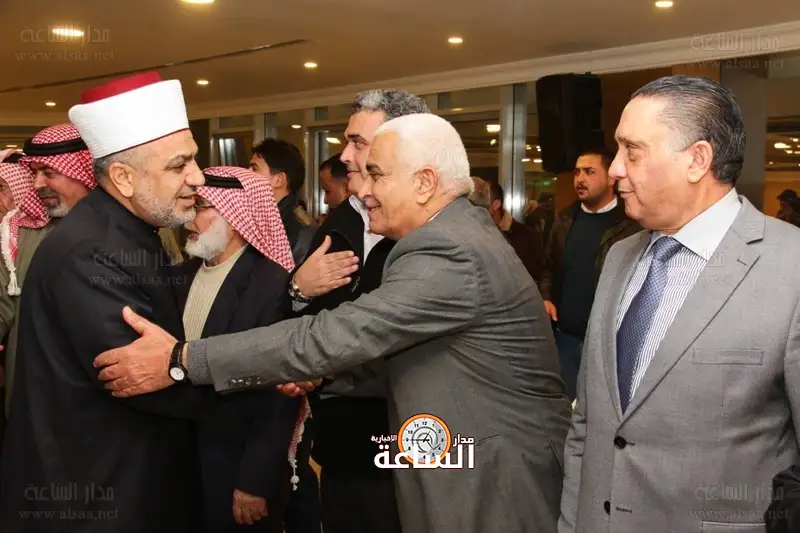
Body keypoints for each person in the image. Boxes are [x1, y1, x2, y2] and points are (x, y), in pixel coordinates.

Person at [94, 112, 572, 533]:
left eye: (375, 174)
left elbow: (329, 336)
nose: (361, 190)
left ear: (425, 183)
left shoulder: (449, 249)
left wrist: (181, 360)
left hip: (491, 475)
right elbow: (424, 357)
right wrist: (323, 376)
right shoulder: (453, 234)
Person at [557, 75, 800, 533]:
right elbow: (588, 422)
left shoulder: (791, 268)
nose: (615, 169)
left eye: (632, 152)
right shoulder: (618, 256)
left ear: (697, 160)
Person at [0, 71, 215, 533]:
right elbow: (142, 379)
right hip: (102, 496)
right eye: (179, 165)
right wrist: (257, 380)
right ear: (123, 178)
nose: (198, 177)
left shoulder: (126, 230)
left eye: (194, 160)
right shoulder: (92, 251)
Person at [284, 89, 429, 533]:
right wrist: (298, 290)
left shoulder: (427, 230)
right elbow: (305, 313)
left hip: (406, 432)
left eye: (358, 143)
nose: (345, 155)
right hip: (340, 432)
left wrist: (321, 368)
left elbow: (407, 339)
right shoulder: (339, 221)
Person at [177, 166, 304, 533]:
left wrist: (254, 480)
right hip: (180, 464)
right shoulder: (180, 276)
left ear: (234, 217)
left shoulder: (272, 284)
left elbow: (280, 394)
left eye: (201, 207)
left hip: (235, 467)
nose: (188, 220)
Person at [0, 124, 97, 419]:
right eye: (35, 173)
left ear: (83, 171)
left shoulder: (131, 230)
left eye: (49, 173)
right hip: (34, 391)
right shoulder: (22, 232)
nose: (38, 184)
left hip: (100, 398)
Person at [539, 146, 639, 400]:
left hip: (609, 344)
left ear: (611, 179)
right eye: (577, 172)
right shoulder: (564, 220)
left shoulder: (631, 225)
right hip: (565, 340)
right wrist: (546, 296)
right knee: (564, 410)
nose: (580, 179)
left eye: (589, 172)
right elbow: (548, 267)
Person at [250, 138, 316, 265]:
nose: (246, 174)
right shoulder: (265, 218)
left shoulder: (301, 230)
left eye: (254, 168)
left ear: (279, 180)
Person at [469, 177, 544, 284]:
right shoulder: (473, 234)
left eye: (481, 201)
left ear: (495, 205)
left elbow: (533, 280)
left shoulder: (525, 237)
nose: (472, 208)